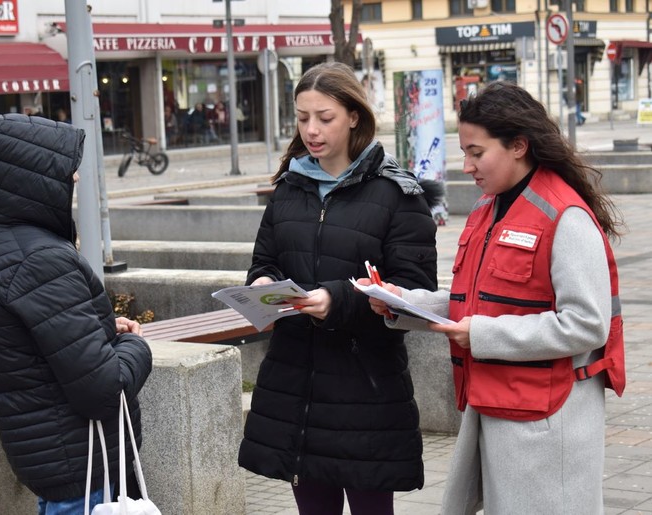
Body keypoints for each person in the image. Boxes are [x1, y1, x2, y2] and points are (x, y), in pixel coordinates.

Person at [364, 81, 625, 514]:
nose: (466, 165)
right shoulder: (490, 208)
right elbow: (478, 303)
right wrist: (405, 304)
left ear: (519, 145)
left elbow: (586, 323)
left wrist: (482, 334)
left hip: (548, 421)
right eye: (464, 151)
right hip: (499, 406)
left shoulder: (565, 216)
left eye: (476, 152)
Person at [238, 62, 442, 515]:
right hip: (294, 388)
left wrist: (338, 299)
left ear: (353, 116)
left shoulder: (398, 194)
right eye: (302, 117)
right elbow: (264, 260)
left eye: (324, 118)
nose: (311, 130)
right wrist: (264, 284)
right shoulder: (290, 186)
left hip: (364, 392)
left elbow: (416, 292)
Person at [0, 114, 153, 513]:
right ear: (34, 177)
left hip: (53, 460)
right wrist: (136, 345)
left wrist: (98, 328)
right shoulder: (40, 258)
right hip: (84, 469)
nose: (75, 180)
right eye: (65, 170)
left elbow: (29, 346)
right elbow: (102, 390)